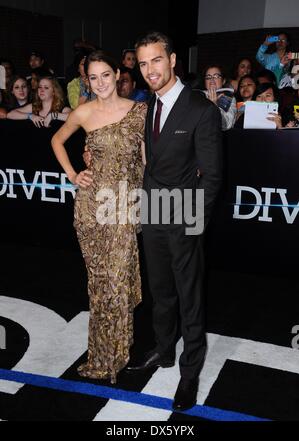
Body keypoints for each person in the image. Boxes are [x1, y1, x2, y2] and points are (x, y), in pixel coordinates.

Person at [126, 31, 222, 411]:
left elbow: (212, 176)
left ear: (173, 60)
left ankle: (190, 370)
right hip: (154, 210)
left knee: (189, 296)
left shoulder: (201, 109)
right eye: (143, 62)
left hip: (184, 214)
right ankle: (164, 350)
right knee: (160, 290)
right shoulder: (150, 103)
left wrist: (193, 222)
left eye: (156, 60)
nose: (150, 69)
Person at [51, 51, 148, 384]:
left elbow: (147, 161)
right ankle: (102, 356)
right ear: (87, 81)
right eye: (93, 78)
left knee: (119, 283)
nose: (101, 83)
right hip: (92, 209)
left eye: (106, 75)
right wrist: (73, 174)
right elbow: (57, 139)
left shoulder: (139, 112)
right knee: (101, 285)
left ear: (118, 74)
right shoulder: (83, 111)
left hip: (124, 207)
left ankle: (118, 354)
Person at [203, 65, 236, 130]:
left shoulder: (228, 97)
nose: (212, 80)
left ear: (223, 81)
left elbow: (227, 124)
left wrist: (214, 107)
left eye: (216, 76)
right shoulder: (198, 95)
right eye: (208, 77)